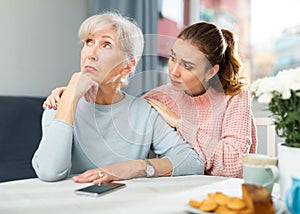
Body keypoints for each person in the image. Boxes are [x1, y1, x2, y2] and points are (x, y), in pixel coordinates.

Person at [44, 21, 257, 178]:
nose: (173, 71)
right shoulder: (157, 100)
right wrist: (71, 94)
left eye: (188, 66)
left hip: (225, 189)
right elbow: (121, 105)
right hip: (185, 190)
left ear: (211, 71)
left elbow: (233, 167)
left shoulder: (234, 97)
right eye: (172, 58)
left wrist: (179, 123)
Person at [32, 12, 204, 184]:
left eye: (106, 45)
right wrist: (70, 98)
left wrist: (136, 167)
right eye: (89, 42)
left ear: (127, 66)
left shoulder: (144, 113)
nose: (91, 54)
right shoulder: (59, 104)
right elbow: (49, 172)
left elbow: (192, 162)